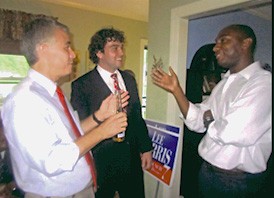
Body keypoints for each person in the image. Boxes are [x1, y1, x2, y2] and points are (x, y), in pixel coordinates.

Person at [1, 18, 128, 198]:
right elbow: (53, 161)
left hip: (79, 190)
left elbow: (71, 136)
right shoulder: (25, 101)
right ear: (43, 49)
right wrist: (102, 132)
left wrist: (99, 116)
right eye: (66, 47)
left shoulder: (51, 92)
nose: (73, 55)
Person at [151, 24, 272, 197]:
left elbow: (234, 132)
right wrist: (176, 90)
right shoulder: (223, 84)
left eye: (224, 40)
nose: (215, 47)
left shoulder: (263, 83)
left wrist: (210, 118)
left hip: (238, 182)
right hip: (207, 172)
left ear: (246, 43)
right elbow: (196, 122)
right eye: (216, 42)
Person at [70, 27, 153, 198]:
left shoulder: (129, 79)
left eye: (121, 47)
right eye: (115, 48)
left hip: (131, 159)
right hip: (101, 161)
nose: (121, 52)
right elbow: (79, 128)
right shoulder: (82, 85)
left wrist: (146, 148)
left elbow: (137, 116)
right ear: (99, 53)